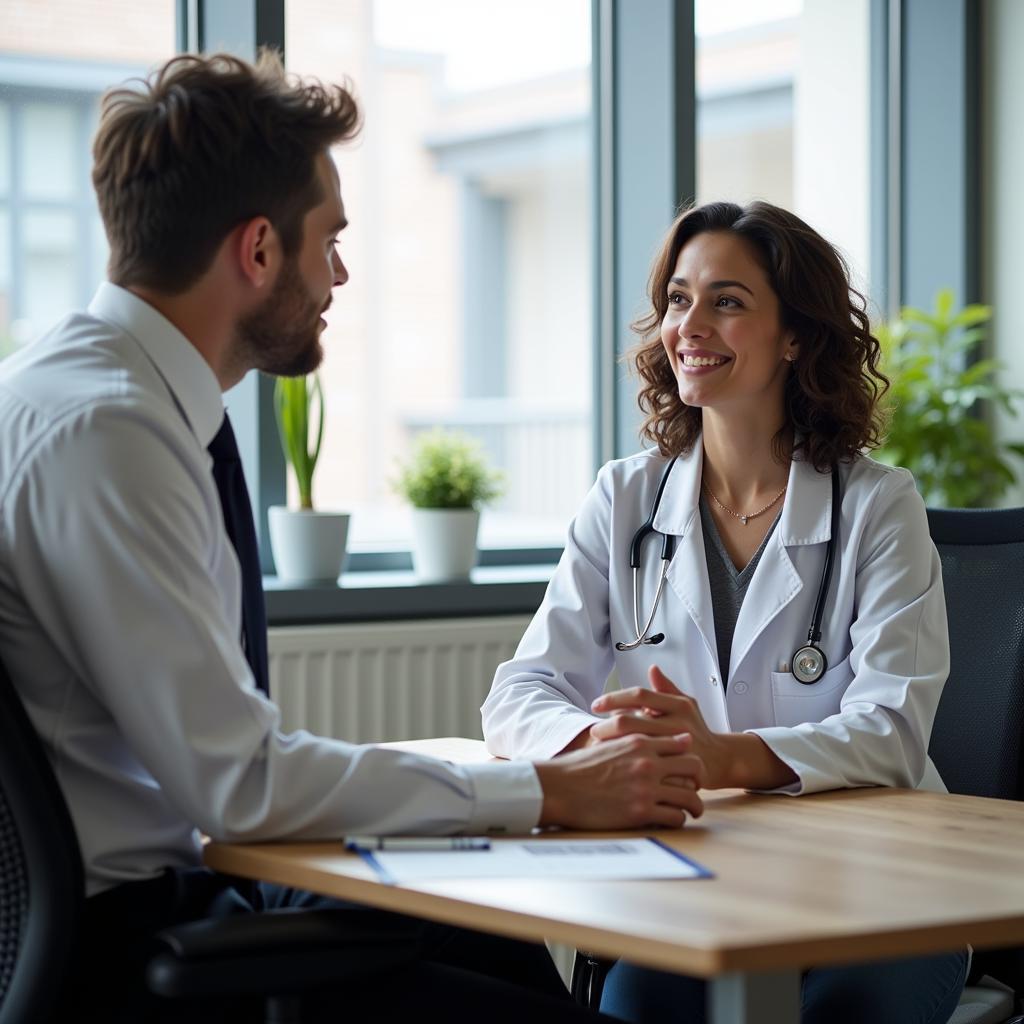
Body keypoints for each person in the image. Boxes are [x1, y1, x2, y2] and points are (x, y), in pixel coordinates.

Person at [0, 51, 706, 1023]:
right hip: (129, 948)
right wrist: (543, 788)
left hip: (157, 895)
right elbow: (240, 783)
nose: (338, 271)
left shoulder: (83, 393)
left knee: (481, 918)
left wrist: (521, 788)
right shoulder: (109, 432)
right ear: (256, 251)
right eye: (327, 238)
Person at [481, 200, 968, 1024]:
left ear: (797, 338)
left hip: (880, 893)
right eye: (678, 299)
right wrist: (602, 741)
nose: (690, 325)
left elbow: (891, 731)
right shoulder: (624, 498)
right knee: (638, 1010)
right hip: (698, 887)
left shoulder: (880, 506)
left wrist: (720, 758)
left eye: (728, 301)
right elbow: (518, 694)